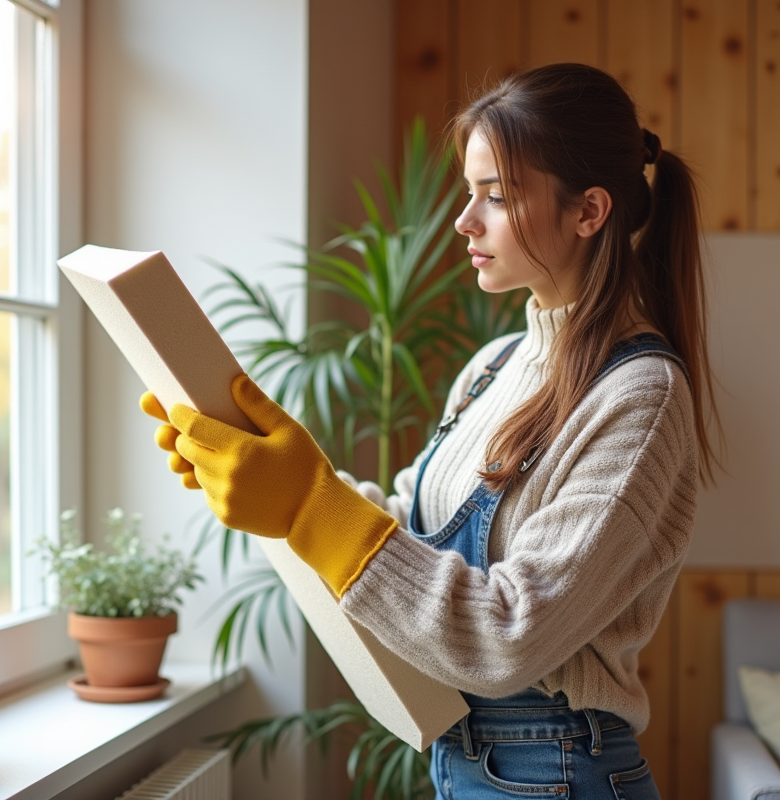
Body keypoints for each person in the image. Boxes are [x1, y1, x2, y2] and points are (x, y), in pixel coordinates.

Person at [141, 62, 720, 799]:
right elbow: (404, 533)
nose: (464, 220)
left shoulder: (641, 397)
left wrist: (309, 504)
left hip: (558, 771)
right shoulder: (493, 365)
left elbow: (509, 634)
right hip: (466, 760)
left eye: (497, 197)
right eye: (469, 192)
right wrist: (266, 471)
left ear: (589, 212)